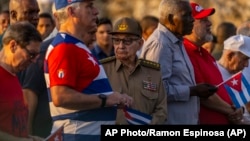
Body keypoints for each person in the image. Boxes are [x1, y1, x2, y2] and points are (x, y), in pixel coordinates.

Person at [44, 0, 133, 141]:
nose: (96, 11)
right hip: (77, 134)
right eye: (89, 6)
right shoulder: (65, 47)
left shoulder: (76, 45)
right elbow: (61, 96)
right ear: (71, 12)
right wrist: (106, 100)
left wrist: (113, 97)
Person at [140, 0, 217, 124]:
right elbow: (154, 90)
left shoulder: (176, 41)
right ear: (170, 19)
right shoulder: (160, 44)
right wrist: (192, 91)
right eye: (186, 15)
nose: (192, 20)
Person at [183, 2, 243, 124]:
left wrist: (238, 109)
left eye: (208, 19)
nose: (210, 23)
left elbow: (219, 89)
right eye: (203, 20)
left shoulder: (205, 53)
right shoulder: (186, 52)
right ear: (189, 24)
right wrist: (231, 110)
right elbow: (204, 95)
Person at [100, 17, 167, 124]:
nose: (121, 46)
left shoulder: (153, 72)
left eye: (127, 41)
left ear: (140, 44)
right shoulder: (102, 70)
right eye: (117, 40)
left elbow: (161, 109)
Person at [0, 21, 43, 141]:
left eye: (37, 56)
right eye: (31, 55)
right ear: (13, 45)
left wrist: (31, 138)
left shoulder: (14, 75)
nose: (34, 61)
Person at [217, 35, 250, 124]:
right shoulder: (213, 72)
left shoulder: (240, 75)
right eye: (245, 59)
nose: (247, 65)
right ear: (230, 55)